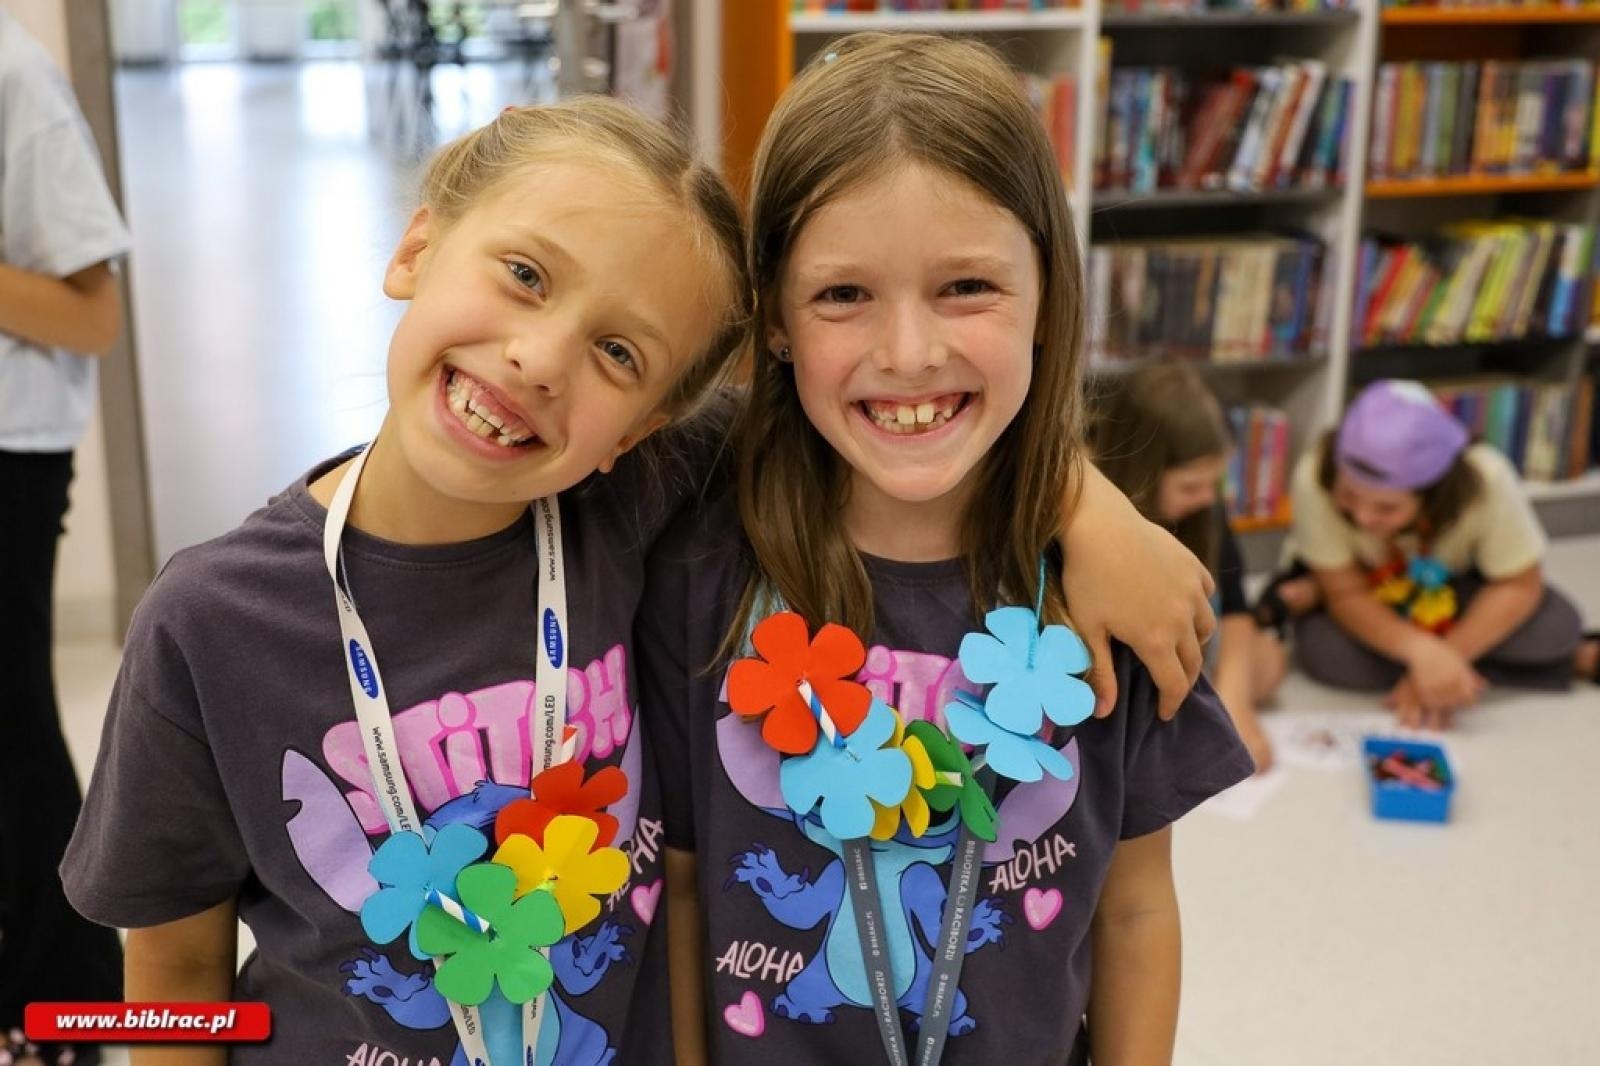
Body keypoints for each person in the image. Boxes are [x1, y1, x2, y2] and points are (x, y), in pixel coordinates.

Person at [60, 95, 1220, 1066]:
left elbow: (881, 403)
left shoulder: (633, 505)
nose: (538, 359)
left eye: (619, 352)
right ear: (416, 246)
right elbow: (170, 975)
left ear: (647, 425)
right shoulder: (208, 624)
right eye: (524, 274)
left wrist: (1083, 500)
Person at [638, 34, 1252, 1066]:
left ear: (1049, 294)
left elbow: (1137, 909)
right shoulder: (697, 568)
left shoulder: (1118, 599)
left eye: (967, 286)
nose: (910, 353)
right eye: (842, 295)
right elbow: (684, 894)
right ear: (776, 317)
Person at [0, 9, 132, 1065]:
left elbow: (93, 314)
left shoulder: (13, 75)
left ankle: (68, 1001)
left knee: (7, 729)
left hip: (8, 452)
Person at [1286, 378, 1599, 730]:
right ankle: (1542, 666)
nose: (1362, 517)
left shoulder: (1487, 477)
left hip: (1453, 588)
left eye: (1386, 508)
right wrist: (1421, 652)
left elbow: (1519, 584)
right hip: (1368, 596)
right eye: (1348, 497)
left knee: (1556, 627)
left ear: (1433, 496)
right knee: (1327, 653)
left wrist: (1446, 656)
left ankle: (1435, 677)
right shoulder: (1313, 474)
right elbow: (1345, 592)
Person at [1091, 363, 1287, 771]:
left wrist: (1237, 708)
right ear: (1143, 472)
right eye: (1190, 486)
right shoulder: (1099, 518)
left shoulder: (1203, 511)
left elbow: (1236, 608)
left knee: (1268, 662)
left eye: (1213, 483)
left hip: (1186, 648)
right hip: (1121, 663)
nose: (1207, 498)